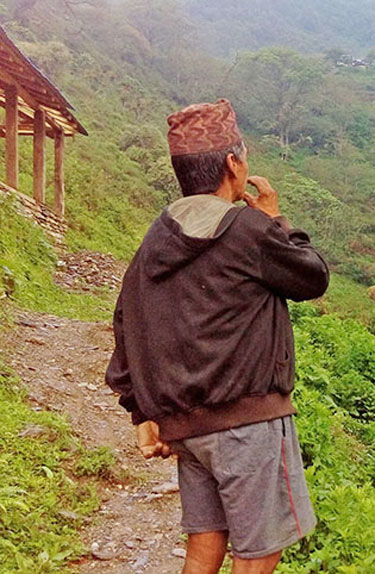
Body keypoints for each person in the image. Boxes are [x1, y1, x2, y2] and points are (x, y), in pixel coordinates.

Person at [105, 99, 329, 574]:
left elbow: (126, 317)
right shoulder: (249, 231)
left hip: (189, 429)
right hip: (247, 423)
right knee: (259, 551)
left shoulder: (157, 236)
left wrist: (140, 409)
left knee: (206, 543)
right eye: (243, 153)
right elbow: (312, 278)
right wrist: (275, 220)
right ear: (233, 164)